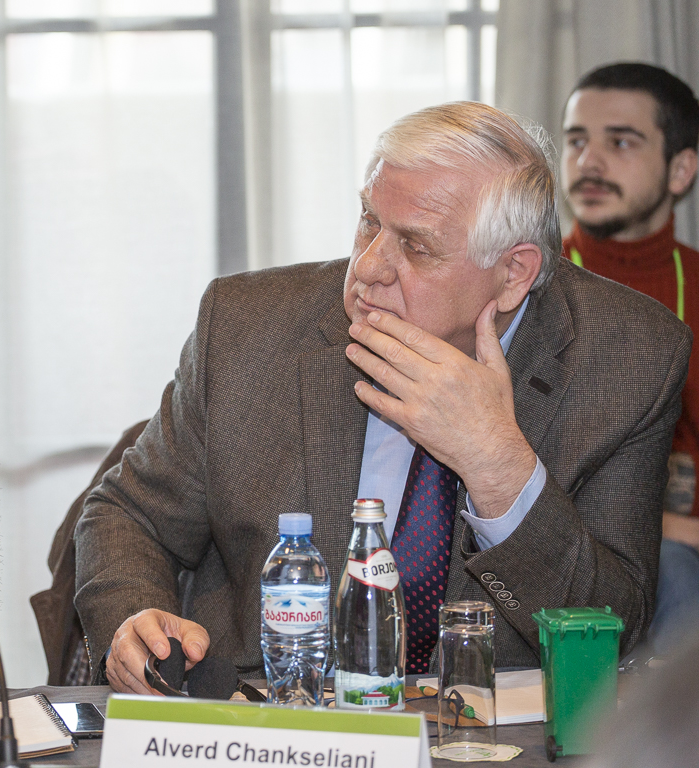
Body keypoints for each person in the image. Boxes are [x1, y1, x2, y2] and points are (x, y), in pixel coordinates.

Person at [76, 101, 691, 694]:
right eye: (369, 220)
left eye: (417, 247)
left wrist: (498, 466)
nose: (368, 267)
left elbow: (614, 628)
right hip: (272, 716)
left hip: (497, 729)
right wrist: (134, 623)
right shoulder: (247, 325)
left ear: (513, 274)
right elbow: (128, 514)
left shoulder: (632, 359)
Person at [559, 62, 699, 652]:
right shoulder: (522, 285)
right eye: (576, 141)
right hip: (564, 545)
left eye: (620, 142)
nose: (588, 162)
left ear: (681, 169)